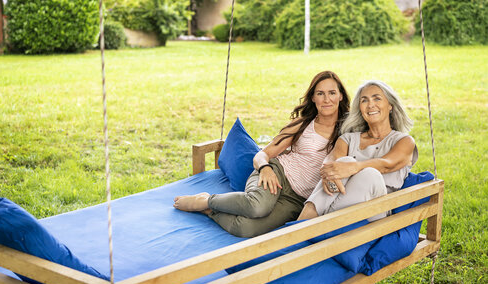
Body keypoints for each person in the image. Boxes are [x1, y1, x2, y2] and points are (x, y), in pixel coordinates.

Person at [174, 71, 350, 237]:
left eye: (332, 93)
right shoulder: (303, 124)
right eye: (320, 93)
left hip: (298, 198)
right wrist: (266, 168)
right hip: (277, 174)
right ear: (313, 98)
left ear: (340, 95)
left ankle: (209, 211)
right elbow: (261, 155)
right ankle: (205, 200)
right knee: (257, 207)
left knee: (245, 228)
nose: (327, 99)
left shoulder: (349, 131)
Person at [298, 80, 418, 221]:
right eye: (364, 100)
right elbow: (332, 161)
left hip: (376, 211)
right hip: (339, 207)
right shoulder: (348, 139)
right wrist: (327, 172)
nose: (371, 105)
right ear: (360, 108)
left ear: (390, 105)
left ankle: (315, 227)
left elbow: (387, 164)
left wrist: (353, 167)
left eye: (377, 98)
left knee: (370, 174)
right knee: (343, 162)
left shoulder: (403, 141)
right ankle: (300, 227)